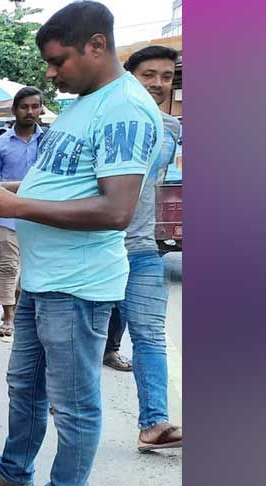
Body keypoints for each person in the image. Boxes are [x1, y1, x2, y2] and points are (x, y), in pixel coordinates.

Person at [0, 1, 164, 486]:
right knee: (25, 385)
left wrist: (18, 206)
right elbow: (68, 185)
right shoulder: (86, 102)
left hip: (78, 287)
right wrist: (7, 190)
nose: (50, 73)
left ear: (96, 45)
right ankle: (14, 469)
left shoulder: (125, 109)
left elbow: (116, 209)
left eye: (58, 60)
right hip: (44, 279)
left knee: (73, 403)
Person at [106, 44, 183, 451]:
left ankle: (154, 422)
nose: (157, 83)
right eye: (148, 74)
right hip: (99, 246)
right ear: (129, 75)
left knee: (150, 334)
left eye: (166, 76)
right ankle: (55, 402)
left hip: (145, 247)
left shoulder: (173, 130)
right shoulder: (106, 119)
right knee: (77, 336)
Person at [0, 87, 45, 337]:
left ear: (41, 109)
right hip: (6, 216)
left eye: (35, 106)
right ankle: (8, 316)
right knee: (8, 266)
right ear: (15, 110)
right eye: (25, 107)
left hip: (39, 215)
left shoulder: (48, 142)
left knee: (31, 267)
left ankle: (21, 307)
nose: (30, 112)